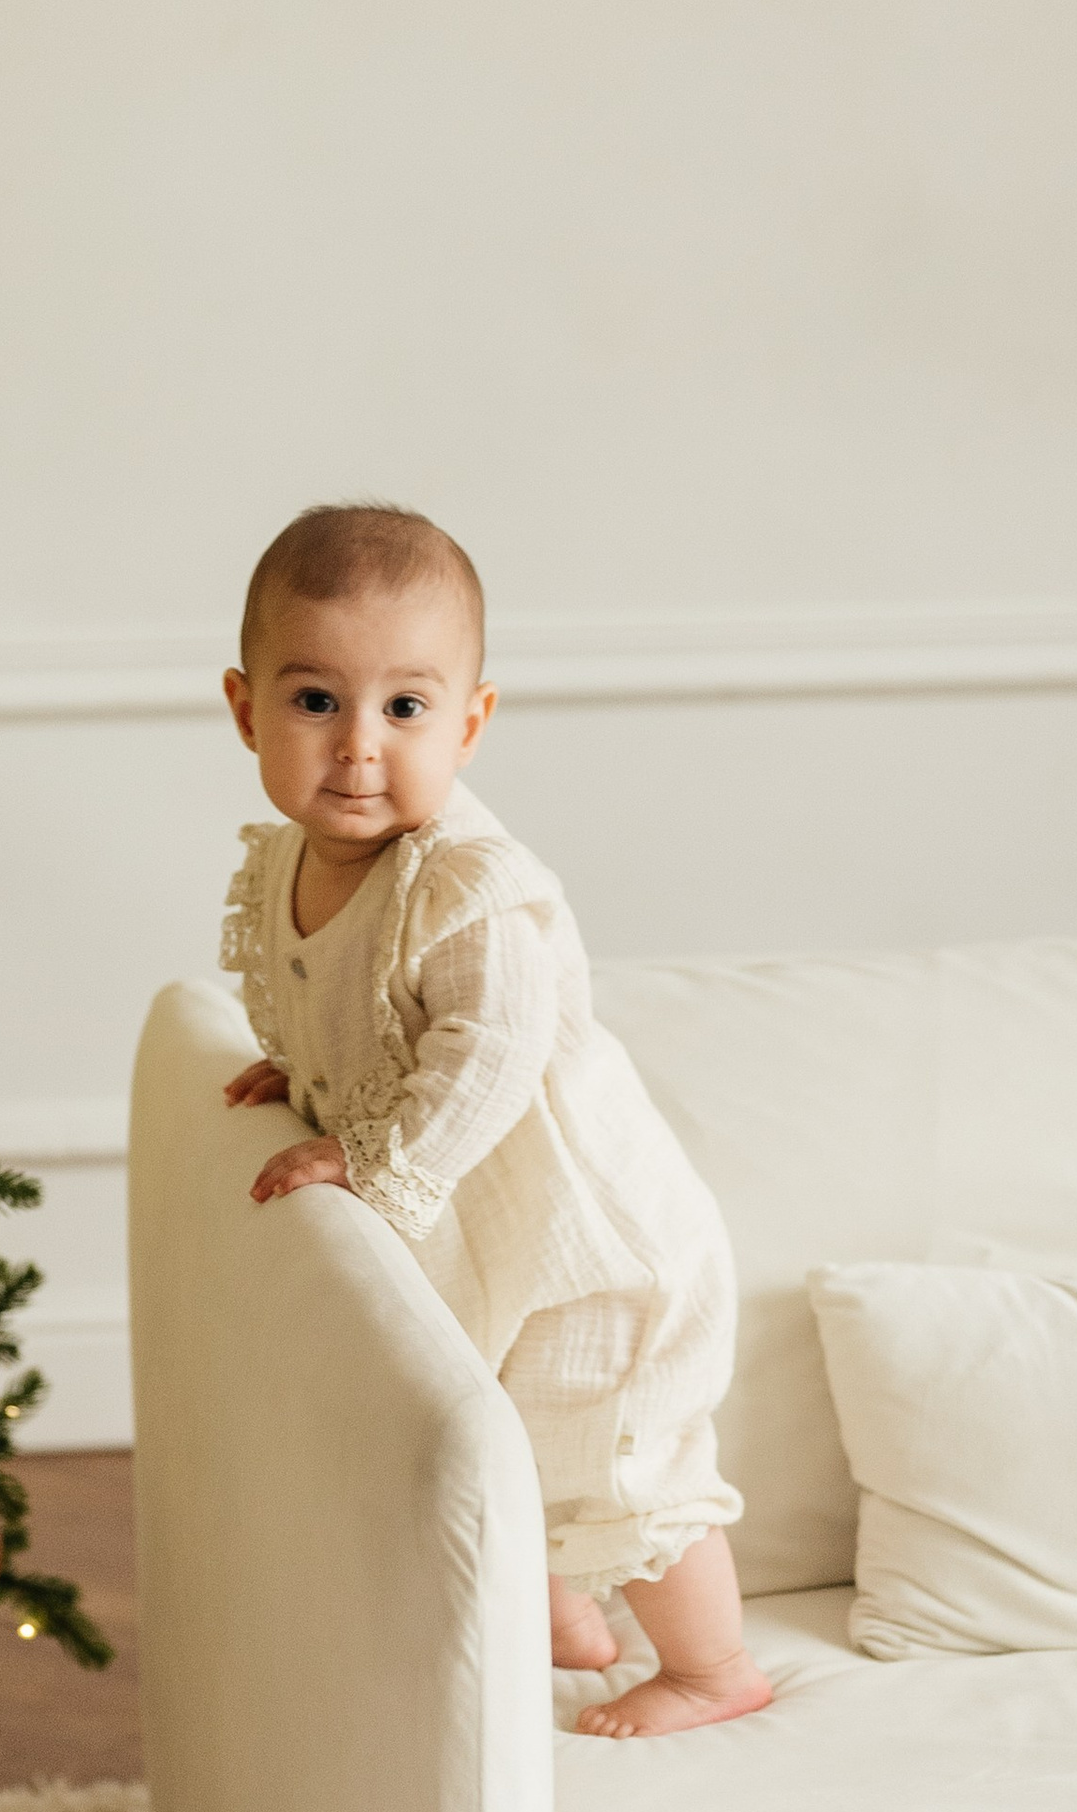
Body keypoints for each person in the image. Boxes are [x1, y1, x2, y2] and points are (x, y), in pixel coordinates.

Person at [219, 502, 771, 1738]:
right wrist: (299, 1068)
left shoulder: (469, 882)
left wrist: (369, 1155)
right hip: (493, 1233)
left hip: (594, 1242)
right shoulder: (291, 863)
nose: (359, 747)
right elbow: (351, 1003)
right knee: (501, 1429)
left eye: (405, 708)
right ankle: (567, 1621)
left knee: (622, 1448)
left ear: (469, 721)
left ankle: (711, 1664)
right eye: (316, 701)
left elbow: (487, 1052)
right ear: (245, 707)